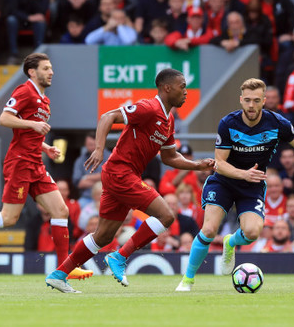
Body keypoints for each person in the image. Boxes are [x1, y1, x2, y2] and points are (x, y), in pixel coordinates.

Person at [46, 68, 215, 293]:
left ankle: (59, 274)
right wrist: (98, 149)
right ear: (167, 88)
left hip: (123, 175)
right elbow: (108, 116)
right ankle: (120, 256)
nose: (186, 92)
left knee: (103, 235)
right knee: (165, 215)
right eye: (182, 86)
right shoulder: (149, 108)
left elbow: (169, 156)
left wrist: (196, 166)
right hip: (120, 172)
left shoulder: (169, 120)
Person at [176, 78, 294, 292]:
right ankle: (187, 280)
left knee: (253, 232)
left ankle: (230, 242)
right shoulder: (228, 123)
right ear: (241, 100)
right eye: (247, 100)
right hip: (224, 182)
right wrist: (243, 174)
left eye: (256, 100)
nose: (251, 105)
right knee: (208, 229)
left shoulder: (277, 123)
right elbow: (219, 164)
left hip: (252, 185)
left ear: (264, 101)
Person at [0, 53, 93, 281]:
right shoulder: (24, 91)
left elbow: (29, 132)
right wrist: (32, 124)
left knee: (61, 210)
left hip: (35, 162)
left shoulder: (44, 99)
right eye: (46, 68)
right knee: (8, 219)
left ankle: (64, 268)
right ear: (32, 72)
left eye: (51, 68)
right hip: (20, 163)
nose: (51, 72)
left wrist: (45, 148)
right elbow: (4, 119)